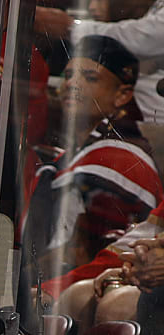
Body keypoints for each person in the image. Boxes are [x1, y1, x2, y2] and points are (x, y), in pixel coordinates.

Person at [32, 35, 160, 289]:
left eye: (89, 78)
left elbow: (89, 254)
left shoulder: (124, 158)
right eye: (68, 76)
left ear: (123, 95)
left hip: (85, 296)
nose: (72, 84)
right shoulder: (62, 160)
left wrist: (37, 289)